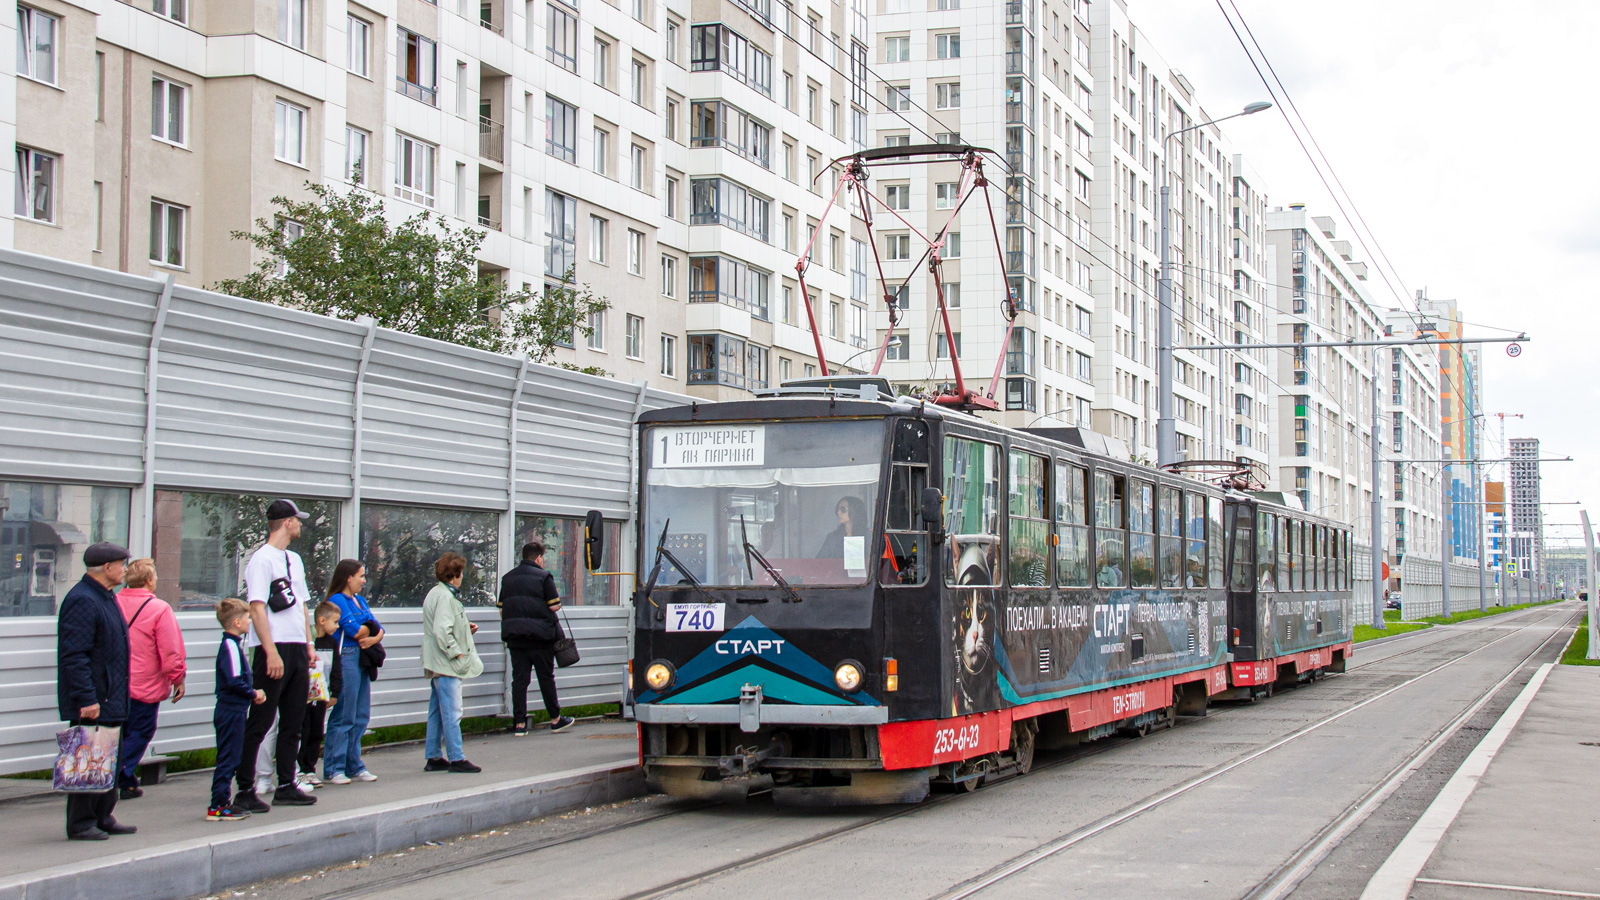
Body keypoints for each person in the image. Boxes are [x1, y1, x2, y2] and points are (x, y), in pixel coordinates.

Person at [235, 499, 319, 812]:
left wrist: (309, 643)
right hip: (273, 646)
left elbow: (302, 604)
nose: (300, 524)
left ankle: (286, 783)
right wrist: (269, 650)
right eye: (297, 520)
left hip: (296, 644)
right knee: (261, 719)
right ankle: (245, 786)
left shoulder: (294, 559)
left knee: (294, 719)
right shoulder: (262, 560)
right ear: (286, 522)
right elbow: (257, 607)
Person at [55, 542, 137, 840]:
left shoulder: (105, 597)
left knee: (109, 758)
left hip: (111, 696)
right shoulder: (83, 599)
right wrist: (86, 698)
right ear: (107, 568)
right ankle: (81, 822)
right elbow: (74, 654)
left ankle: (103, 815)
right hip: (94, 699)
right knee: (87, 756)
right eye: (122, 564)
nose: (125, 569)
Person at [114, 559, 186, 800]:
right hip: (145, 683)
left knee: (120, 732)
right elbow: (170, 650)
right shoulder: (159, 609)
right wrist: (178, 678)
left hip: (115, 683)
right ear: (149, 581)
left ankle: (124, 780)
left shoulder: (113, 602)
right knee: (142, 729)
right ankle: (118, 774)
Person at [499, 542, 576, 736]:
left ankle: (519, 724)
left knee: (520, 680)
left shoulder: (507, 579)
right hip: (540, 638)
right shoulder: (544, 577)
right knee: (545, 678)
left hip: (515, 638)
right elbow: (554, 606)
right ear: (539, 558)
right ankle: (555, 719)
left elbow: (502, 608)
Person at [420, 553, 483, 773]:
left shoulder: (436, 593)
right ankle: (457, 757)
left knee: (437, 711)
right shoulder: (447, 597)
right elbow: (442, 630)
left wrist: (465, 628)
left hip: (436, 662)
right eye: (462, 572)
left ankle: (434, 755)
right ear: (455, 575)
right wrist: (457, 653)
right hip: (446, 663)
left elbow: (441, 626)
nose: (463, 576)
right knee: (452, 711)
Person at [323, 559, 383, 784]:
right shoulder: (338, 599)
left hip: (362, 658)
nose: (364, 580)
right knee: (344, 713)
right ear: (348, 577)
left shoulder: (359, 600)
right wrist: (370, 628)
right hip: (346, 656)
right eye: (360, 575)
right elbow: (353, 629)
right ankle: (334, 766)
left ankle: (353, 763)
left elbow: (379, 628)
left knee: (360, 714)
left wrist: (373, 634)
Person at [210, 599, 265, 821]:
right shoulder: (231, 646)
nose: (251, 622)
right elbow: (234, 680)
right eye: (248, 618)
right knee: (228, 757)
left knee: (231, 755)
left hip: (234, 709)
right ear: (237, 621)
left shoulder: (234, 645)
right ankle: (218, 805)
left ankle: (223, 802)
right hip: (230, 710)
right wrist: (253, 693)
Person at [296, 601, 345, 789]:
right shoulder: (309, 643)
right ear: (322, 620)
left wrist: (335, 692)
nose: (337, 626)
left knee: (317, 732)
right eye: (335, 622)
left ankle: (310, 769)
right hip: (305, 695)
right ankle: (300, 769)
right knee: (304, 731)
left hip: (321, 695)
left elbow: (336, 670)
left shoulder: (332, 643)